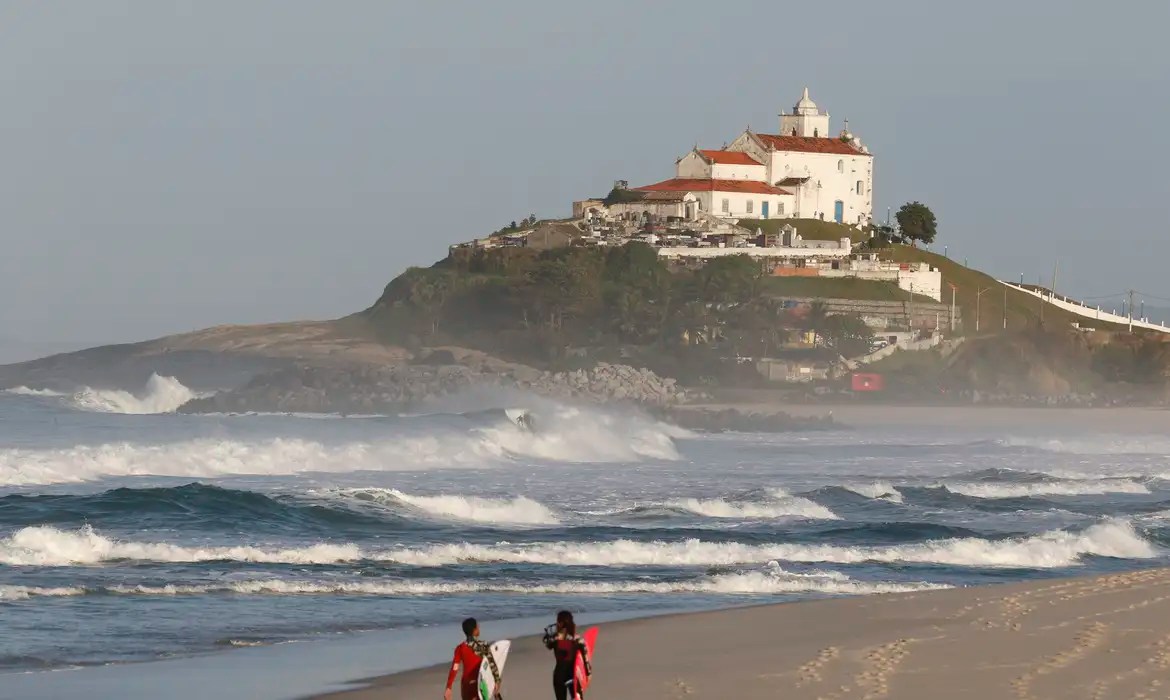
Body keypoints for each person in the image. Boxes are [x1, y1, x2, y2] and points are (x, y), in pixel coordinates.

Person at [444, 617, 501, 700]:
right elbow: (492, 664)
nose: (479, 628)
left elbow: (454, 668)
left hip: (466, 685)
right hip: (480, 684)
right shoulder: (483, 645)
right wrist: (497, 681)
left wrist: (449, 687)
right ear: (474, 630)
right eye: (477, 627)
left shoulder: (460, 648)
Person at [543, 610, 589, 700]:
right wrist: (588, 673)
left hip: (559, 676)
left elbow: (547, 644)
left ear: (559, 623)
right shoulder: (578, 639)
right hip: (574, 674)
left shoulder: (555, 639)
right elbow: (585, 659)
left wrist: (548, 635)